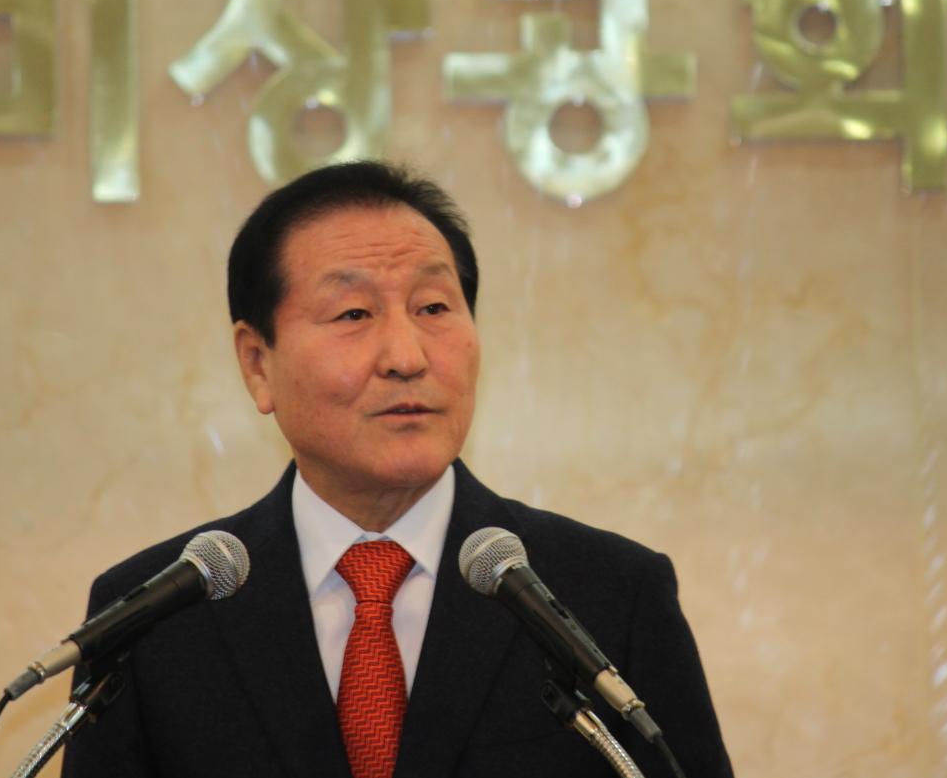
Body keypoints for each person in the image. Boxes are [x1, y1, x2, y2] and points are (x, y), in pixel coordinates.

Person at [60, 161, 732, 778]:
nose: (407, 356)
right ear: (257, 364)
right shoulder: (153, 618)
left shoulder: (611, 595)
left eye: (433, 307)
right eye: (353, 313)